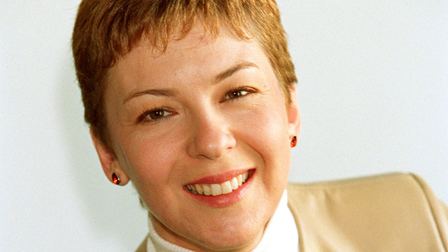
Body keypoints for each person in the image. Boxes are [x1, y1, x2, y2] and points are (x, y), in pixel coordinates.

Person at [71, 1, 448, 251]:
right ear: (108, 154)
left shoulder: (416, 217)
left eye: (237, 92)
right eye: (157, 113)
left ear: (290, 110)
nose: (212, 141)